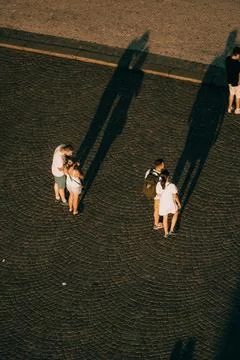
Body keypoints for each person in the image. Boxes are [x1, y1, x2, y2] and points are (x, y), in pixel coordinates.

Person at [156, 169, 181, 238]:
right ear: (167, 177)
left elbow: (158, 194)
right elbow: (175, 196)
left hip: (163, 205)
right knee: (176, 212)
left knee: (165, 217)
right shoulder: (172, 185)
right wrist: (178, 203)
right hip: (171, 204)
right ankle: (171, 230)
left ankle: (166, 233)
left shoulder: (158, 184)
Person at [144, 159, 165, 230]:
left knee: (156, 207)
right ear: (161, 165)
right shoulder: (161, 176)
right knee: (156, 208)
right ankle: (156, 224)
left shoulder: (149, 171)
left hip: (149, 191)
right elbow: (162, 187)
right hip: (157, 194)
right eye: (163, 164)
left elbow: (145, 179)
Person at [225, 46, 240, 114]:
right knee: (238, 96)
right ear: (237, 55)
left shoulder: (227, 59)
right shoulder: (238, 64)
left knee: (231, 94)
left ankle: (229, 107)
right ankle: (237, 109)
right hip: (236, 82)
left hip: (229, 81)